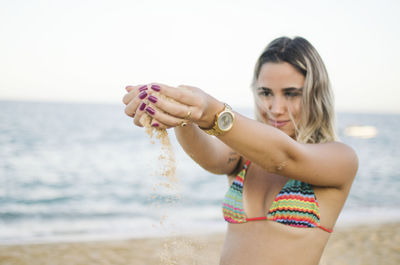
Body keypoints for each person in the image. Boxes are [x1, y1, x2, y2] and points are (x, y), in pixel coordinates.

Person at [122, 36, 358, 265]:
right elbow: (209, 157)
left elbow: (283, 157)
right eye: (265, 93)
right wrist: (181, 112)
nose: (275, 108)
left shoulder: (340, 158)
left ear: (316, 93)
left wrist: (211, 111)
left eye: (291, 93)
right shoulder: (243, 155)